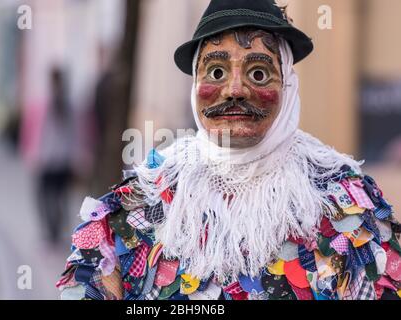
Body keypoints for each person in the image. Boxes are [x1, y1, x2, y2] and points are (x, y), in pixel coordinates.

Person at [57, 0, 401, 300]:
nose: (235, 90)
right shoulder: (132, 209)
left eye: (259, 73)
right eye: (217, 71)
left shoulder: (349, 207)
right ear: (195, 84)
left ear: (288, 85)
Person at [36, 67, 74, 246]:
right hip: (63, 158)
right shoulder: (69, 102)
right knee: (59, 196)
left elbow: (41, 133)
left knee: (47, 196)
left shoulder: (48, 103)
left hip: (49, 158)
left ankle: (52, 231)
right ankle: (56, 230)